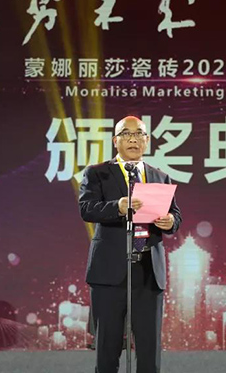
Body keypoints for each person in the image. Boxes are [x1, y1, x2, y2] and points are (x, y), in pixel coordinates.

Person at [79, 115, 181, 373]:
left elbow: (175, 215)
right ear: (115, 140)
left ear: (147, 141)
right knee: (108, 347)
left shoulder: (160, 176)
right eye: (126, 133)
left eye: (139, 134)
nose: (133, 139)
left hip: (148, 271)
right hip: (110, 271)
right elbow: (87, 209)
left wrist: (170, 221)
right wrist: (118, 206)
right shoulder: (98, 173)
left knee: (149, 349)